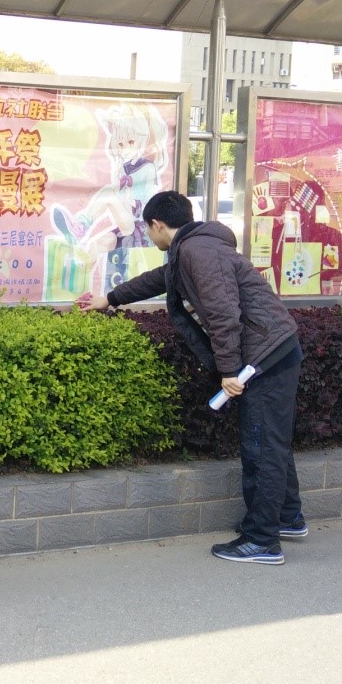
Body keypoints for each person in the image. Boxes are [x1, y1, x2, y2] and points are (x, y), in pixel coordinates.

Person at [82, 190, 305, 565]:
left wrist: (229, 371)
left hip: (263, 359)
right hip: (274, 350)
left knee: (262, 448)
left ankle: (262, 541)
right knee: (271, 442)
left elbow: (223, 314)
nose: (149, 236)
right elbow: (160, 279)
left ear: (157, 224)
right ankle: (286, 517)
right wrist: (111, 297)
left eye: (147, 230)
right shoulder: (194, 247)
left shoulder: (197, 252)